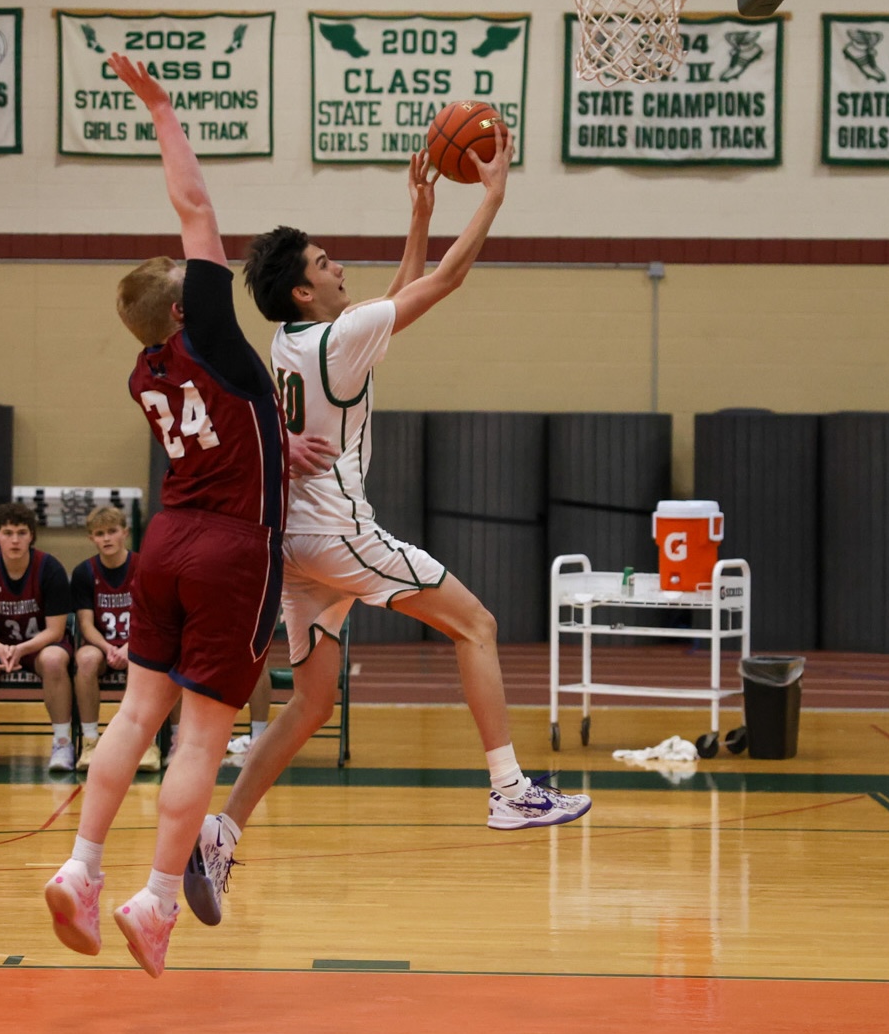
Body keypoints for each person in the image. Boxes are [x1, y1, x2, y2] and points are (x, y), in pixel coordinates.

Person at [182, 125, 590, 925]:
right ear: (303, 291)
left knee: (311, 703)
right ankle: (509, 789)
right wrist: (493, 195)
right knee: (476, 625)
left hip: (293, 545)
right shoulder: (338, 337)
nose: (337, 266)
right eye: (323, 262)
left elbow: (391, 306)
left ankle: (220, 830)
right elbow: (445, 281)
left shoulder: (293, 338)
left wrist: (419, 215)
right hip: (338, 535)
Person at [42, 52, 288, 978]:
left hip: (166, 539)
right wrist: (162, 110)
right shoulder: (211, 334)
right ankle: (153, 900)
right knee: (202, 734)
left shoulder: (145, 368)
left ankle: (81, 866)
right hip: (230, 547)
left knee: (136, 713)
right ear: (187, 308)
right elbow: (195, 207)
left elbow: (236, 425)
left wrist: (278, 442)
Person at [0, 502, 74, 771]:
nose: (15, 540)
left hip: (41, 646)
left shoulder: (50, 569)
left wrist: (22, 649)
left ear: (32, 536)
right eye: (8, 533)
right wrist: (0, 648)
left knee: (55, 660)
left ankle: (62, 743)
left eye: (21, 533)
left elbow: (55, 630)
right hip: (2, 648)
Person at [69, 505, 161, 774]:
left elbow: (152, 619)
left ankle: (146, 743)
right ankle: (90, 741)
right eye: (100, 534)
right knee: (85, 659)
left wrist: (128, 648)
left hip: (138, 644)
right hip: (103, 646)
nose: (106, 538)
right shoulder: (84, 572)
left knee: (145, 661)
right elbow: (86, 624)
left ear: (125, 533)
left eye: (112, 531)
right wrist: (108, 647)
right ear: (91, 538)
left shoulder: (143, 567)